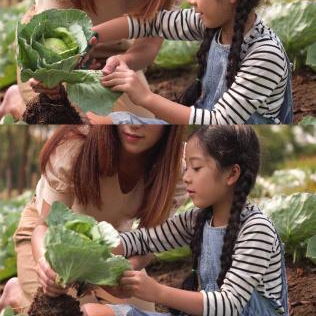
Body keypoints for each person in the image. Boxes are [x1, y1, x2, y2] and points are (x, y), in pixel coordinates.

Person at [84, 125, 288, 316]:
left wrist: (157, 292)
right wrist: (87, 252)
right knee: (94, 312)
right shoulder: (198, 219)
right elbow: (143, 239)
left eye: (196, 168)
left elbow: (229, 304)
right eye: (186, 168)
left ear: (232, 174)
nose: (186, 177)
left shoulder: (256, 229)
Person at [93, 0, 292, 124]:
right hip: (204, 128)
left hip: (222, 132)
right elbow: (150, 23)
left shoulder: (265, 55)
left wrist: (146, 97)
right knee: (108, 120)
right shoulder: (213, 22)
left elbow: (221, 120)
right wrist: (92, 36)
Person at [0, 0, 190, 121]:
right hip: (49, 56)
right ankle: (18, 102)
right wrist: (51, 75)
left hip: (112, 55)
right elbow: (47, 36)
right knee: (71, 120)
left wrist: (121, 63)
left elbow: (148, 47)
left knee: (137, 121)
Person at [0, 125, 187, 313]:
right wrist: (46, 264)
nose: (134, 124)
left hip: (109, 247)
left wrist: (121, 271)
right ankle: (19, 294)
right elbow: (44, 227)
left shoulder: (176, 167)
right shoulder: (74, 145)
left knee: (136, 311)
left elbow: (151, 240)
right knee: (64, 308)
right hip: (52, 242)